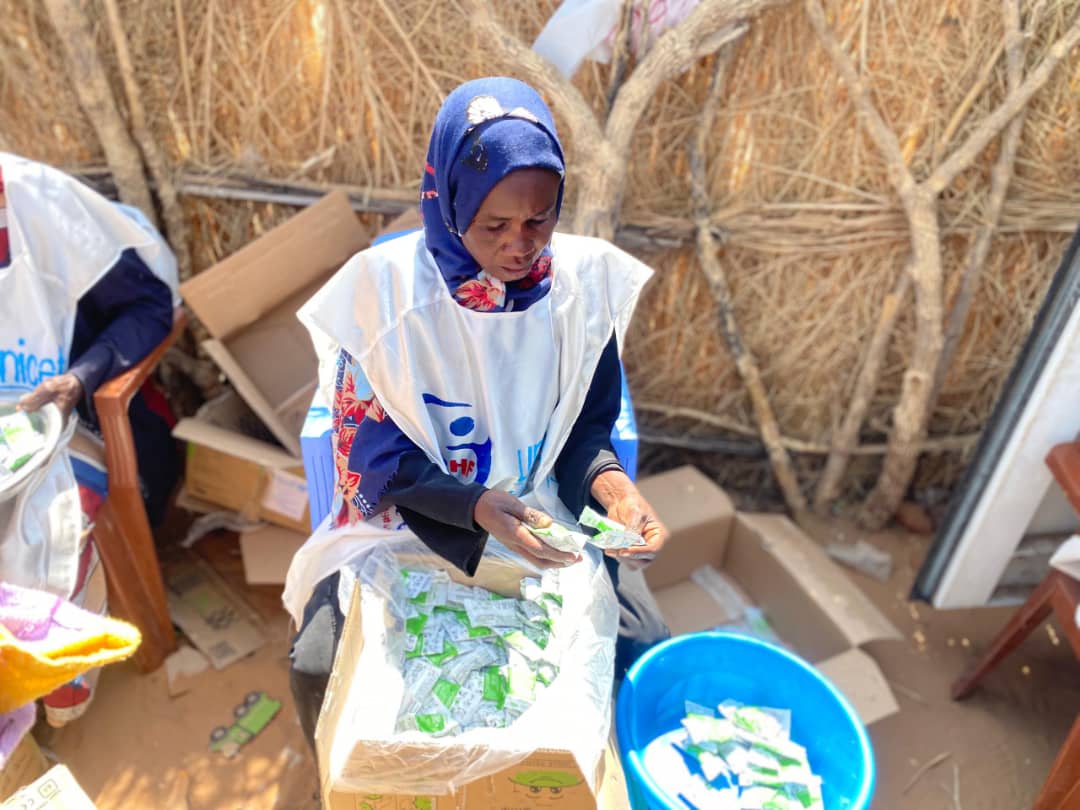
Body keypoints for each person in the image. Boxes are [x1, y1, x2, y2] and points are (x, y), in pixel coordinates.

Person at [285, 77, 670, 752]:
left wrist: (615, 491)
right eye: (494, 225)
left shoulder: (580, 296)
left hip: (541, 510)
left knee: (638, 645)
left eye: (540, 220)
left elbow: (584, 434)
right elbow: (371, 465)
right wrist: (475, 508)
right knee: (318, 667)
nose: (520, 246)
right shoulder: (388, 303)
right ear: (449, 200)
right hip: (411, 521)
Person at [0, 152, 179, 726]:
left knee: (43, 534)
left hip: (72, 416)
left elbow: (149, 305)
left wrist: (80, 377)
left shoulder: (39, 206)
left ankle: (50, 682)